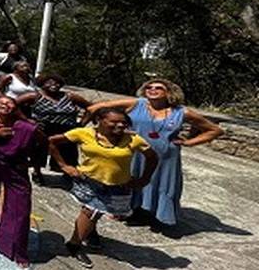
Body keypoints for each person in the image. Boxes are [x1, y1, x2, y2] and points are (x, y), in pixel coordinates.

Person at [86, 79, 223, 229]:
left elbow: (215, 130)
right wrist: (99, 129)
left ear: (169, 93)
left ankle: (156, 215)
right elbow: (97, 107)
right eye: (149, 87)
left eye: (159, 88)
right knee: (131, 180)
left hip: (166, 158)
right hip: (136, 154)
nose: (152, 90)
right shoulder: (136, 104)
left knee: (161, 184)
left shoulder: (181, 112)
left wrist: (189, 142)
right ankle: (126, 211)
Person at [49, 108, 159, 268]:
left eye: (123, 122)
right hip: (88, 181)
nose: (120, 125)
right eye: (114, 122)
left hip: (118, 186)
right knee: (90, 212)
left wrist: (144, 179)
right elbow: (51, 141)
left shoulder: (133, 139)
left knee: (96, 213)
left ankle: (89, 232)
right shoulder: (83, 133)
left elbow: (152, 157)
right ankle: (74, 245)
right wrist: (64, 166)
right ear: (99, 120)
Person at [0, 96, 44, 268]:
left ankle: (15, 248)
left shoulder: (28, 128)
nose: (4, 104)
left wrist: (33, 166)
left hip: (15, 168)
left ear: (16, 108)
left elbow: (43, 145)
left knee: (19, 207)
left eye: (9, 102)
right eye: (0, 101)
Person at [16, 74, 91, 184]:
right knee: (38, 151)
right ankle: (37, 172)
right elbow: (13, 105)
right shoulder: (34, 96)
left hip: (66, 129)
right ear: (42, 84)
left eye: (57, 83)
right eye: (49, 82)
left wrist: (81, 124)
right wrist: (26, 120)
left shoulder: (70, 97)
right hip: (43, 128)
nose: (54, 85)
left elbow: (90, 108)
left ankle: (68, 174)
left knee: (68, 152)